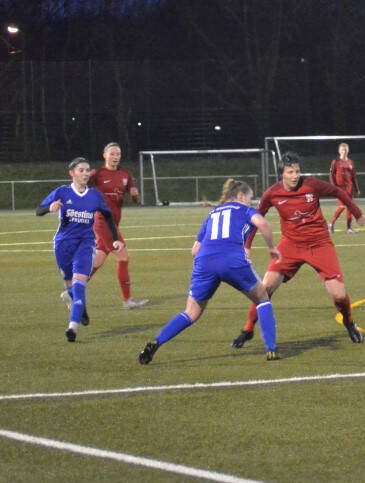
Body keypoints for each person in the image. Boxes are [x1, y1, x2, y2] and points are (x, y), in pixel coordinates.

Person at [139, 179, 282, 364]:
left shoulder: (212, 213)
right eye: (250, 198)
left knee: (191, 313)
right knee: (262, 298)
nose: (251, 202)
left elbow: (194, 250)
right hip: (232, 260)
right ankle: (271, 349)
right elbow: (262, 223)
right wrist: (271, 247)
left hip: (204, 262)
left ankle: (156, 342)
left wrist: (207, 268)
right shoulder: (244, 210)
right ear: (240, 196)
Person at [232, 151, 365, 349]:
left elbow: (338, 192)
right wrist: (247, 246)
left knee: (338, 294)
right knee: (264, 288)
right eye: (290, 172)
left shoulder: (311, 185)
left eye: (297, 171)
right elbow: (256, 219)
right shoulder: (272, 193)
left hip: (320, 244)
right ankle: (248, 329)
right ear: (282, 174)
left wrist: (357, 213)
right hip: (290, 245)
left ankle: (349, 322)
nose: (295, 175)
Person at [36, 157, 124, 342]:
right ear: (72, 173)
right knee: (71, 287)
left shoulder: (95, 195)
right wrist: (49, 208)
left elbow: (108, 217)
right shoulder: (62, 192)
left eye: (87, 170)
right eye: (81, 170)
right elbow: (39, 210)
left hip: (85, 244)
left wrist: (115, 240)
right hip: (63, 246)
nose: (85, 173)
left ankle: (72, 327)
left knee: (79, 285)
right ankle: (78, 305)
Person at [84, 142, 149, 310]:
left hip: (114, 224)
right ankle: (127, 300)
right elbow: (80, 187)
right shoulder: (97, 174)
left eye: (118, 154)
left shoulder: (125, 175)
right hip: (102, 222)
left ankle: (71, 290)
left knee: (97, 261)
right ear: (104, 155)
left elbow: (136, 200)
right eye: (112, 154)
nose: (115, 157)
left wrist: (135, 196)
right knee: (123, 257)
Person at [328, 142, 361, 234]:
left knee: (350, 208)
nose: (344, 151)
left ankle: (349, 229)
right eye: (342, 150)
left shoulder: (351, 162)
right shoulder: (335, 162)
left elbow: (353, 177)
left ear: (348, 151)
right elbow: (331, 175)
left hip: (349, 189)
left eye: (346, 150)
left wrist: (357, 188)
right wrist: (333, 186)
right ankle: (331, 224)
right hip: (340, 189)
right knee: (342, 206)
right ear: (339, 151)